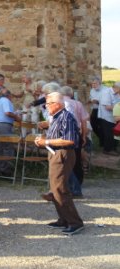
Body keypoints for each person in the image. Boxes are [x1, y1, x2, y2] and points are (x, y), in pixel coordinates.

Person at [34, 92, 84, 236]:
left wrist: (46, 142)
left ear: (57, 104)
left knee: (60, 189)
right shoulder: (57, 117)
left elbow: (70, 140)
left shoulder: (66, 116)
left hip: (63, 154)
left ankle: (75, 222)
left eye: (48, 104)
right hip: (56, 154)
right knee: (56, 189)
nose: (46, 107)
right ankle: (63, 219)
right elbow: (57, 135)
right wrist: (44, 136)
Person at [0, 90, 21, 175]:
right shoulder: (6, 100)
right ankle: (6, 170)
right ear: (9, 95)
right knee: (8, 146)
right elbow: (7, 113)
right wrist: (17, 117)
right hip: (4, 124)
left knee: (0, 146)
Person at [96, 81, 118, 155]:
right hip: (106, 117)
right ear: (117, 88)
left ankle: (114, 148)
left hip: (114, 116)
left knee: (115, 133)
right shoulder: (106, 93)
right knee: (109, 134)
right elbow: (108, 107)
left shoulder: (117, 92)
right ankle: (107, 150)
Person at [89, 77, 105, 147]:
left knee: (102, 126)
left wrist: (98, 102)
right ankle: (102, 138)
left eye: (95, 83)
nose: (93, 85)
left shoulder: (105, 90)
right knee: (93, 125)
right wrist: (91, 101)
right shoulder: (92, 90)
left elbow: (107, 101)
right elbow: (91, 98)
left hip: (103, 110)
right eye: (92, 84)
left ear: (100, 83)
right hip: (95, 109)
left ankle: (103, 142)